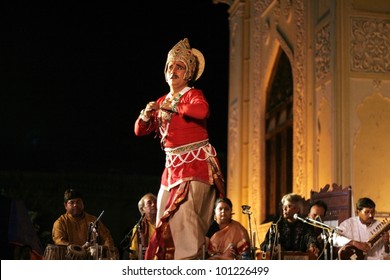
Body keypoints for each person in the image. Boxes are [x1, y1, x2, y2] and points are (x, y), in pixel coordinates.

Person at [134, 38, 225, 260]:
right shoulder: (162, 99)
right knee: (163, 223)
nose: (173, 71)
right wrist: (146, 115)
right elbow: (139, 130)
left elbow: (202, 112)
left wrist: (173, 106)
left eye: (179, 66)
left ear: (188, 74)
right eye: (170, 67)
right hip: (172, 169)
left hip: (195, 165)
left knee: (185, 219)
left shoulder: (193, 95)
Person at [51, 189, 116, 259]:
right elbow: (59, 241)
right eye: (72, 202)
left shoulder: (93, 220)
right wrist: (79, 250)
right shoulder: (60, 222)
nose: (75, 205)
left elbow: (106, 237)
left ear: (83, 203)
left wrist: (107, 250)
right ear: (65, 205)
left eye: (78, 201)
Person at [260, 193, 319, 259]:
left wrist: (312, 246)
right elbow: (264, 245)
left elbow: (311, 240)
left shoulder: (306, 224)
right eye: (283, 206)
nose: (284, 209)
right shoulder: (277, 224)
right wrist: (272, 248)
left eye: (289, 206)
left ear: (298, 209)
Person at [128, 193, 157, 260]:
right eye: (149, 203)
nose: (153, 204)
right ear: (142, 209)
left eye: (155, 202)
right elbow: (134, 253)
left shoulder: (164, 224)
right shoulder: (138, 227)